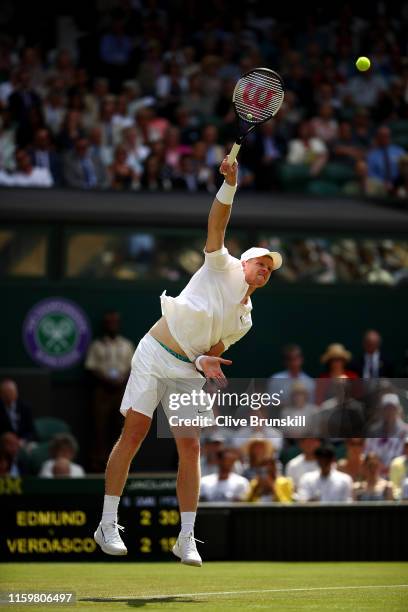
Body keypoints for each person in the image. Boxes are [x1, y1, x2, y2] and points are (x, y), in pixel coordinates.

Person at [93, 158, 283, 567]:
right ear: (244, 262)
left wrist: (207, 363)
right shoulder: (221, 265)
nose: (264, 270)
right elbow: (217, 224)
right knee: (136, 432)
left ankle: (186, 537)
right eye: (260, 263)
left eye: (269, 269)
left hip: (186, 371)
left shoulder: (245, 319)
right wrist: (229, 185)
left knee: (191, 447)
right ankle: (107, 522)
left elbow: (211, 352)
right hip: (154, 352)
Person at [85, 311, 135, 472]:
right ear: (104, 325)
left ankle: (121, 462)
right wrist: (106, 380)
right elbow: (91, 367)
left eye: (115, 322)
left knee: (122, 426)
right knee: (99, 427)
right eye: (109, 322)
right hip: (102, 390)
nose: (112, 325)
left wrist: (121, 379)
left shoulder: (126, 345)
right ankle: (98, 463)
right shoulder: (97, 345)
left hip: (122, 390)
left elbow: (133, 366)